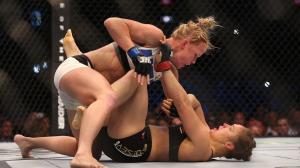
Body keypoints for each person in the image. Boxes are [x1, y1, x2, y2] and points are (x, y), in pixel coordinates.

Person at [15, 58, 256, 165]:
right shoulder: (203, 129)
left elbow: (184, 103)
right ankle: (28, 142)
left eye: (231, 129)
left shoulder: (204, 146)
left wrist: (162, 63)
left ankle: (91, 89)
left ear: (229, 146)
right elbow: (191, 101)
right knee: (84, 145)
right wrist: (175, 105)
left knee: (140, 74)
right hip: (126, 141)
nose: (225, 125)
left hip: (134, 145)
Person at [51, 16, 218, 167]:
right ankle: (82, 154)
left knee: (94, 150)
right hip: (77, 70)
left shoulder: (170, 71)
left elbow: (176, 103)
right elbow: (111, 22)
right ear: (185, 43)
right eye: (195, 55)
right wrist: (132, 49)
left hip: (80, 93)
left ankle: (29, 142)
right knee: (118, 89)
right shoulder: (155, 37)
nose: (194, 62)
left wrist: (174, 109)